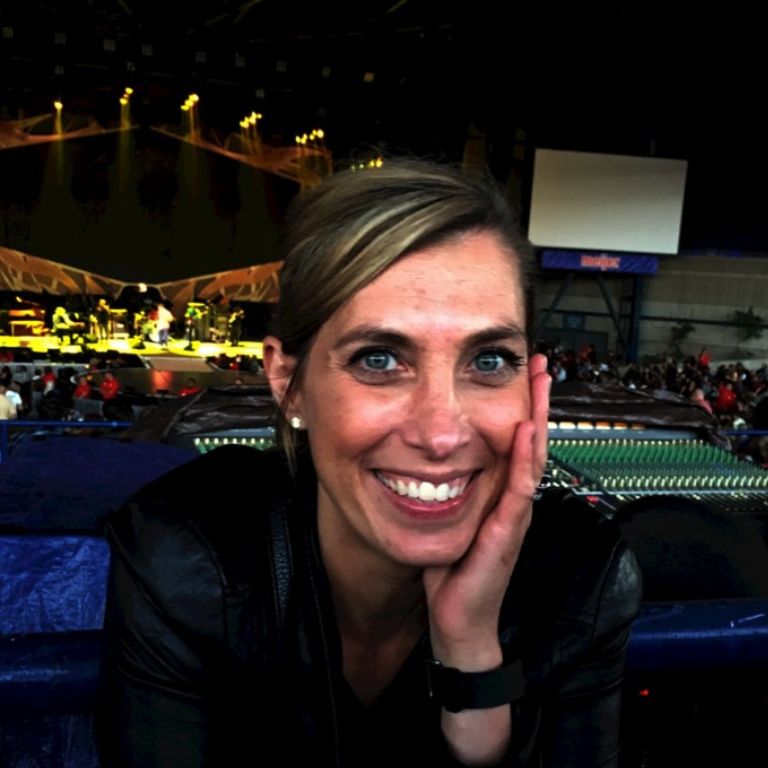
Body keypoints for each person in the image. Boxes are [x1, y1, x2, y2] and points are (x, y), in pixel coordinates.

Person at [99, 161, 641, 767]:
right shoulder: (190, 552)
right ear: (288, 382)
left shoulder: (581, 576)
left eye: (489, 361)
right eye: (378, 359)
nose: (441, 434)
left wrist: (469, 651)